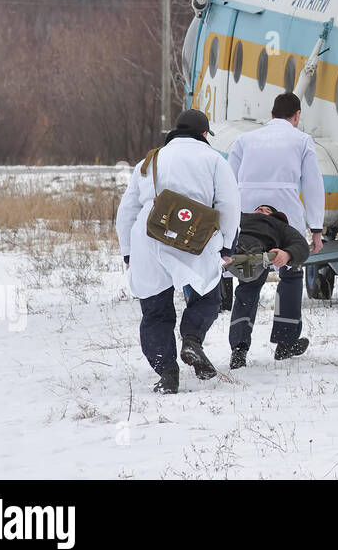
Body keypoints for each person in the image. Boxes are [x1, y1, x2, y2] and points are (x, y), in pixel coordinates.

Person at [116, 109, 240, 393]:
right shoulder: (214, 160)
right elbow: (229, 205)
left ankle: (167, 373)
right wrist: (228, 245)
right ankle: (192, 339)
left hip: (149, 235)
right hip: (195, 237)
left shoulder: (149, 161)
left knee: (155, 310)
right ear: (204, 134)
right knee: (207, 296)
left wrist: (128, 253)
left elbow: (126, 212)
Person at [227, 92, 325, 360]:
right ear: (296, 117)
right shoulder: (302, 140)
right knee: (291, 276)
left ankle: (239, 347)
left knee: (250, 278)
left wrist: (227, 225)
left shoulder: (245, 139)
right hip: (286, 217)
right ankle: (286, 341)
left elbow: (227, 182)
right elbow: (314, 186)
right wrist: (316, 229)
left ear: (270, 115)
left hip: (248, 215)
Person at [224, 204, 312, 367]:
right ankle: (239, 350)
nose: (262, 210)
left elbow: (301, 245)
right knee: (247, 291)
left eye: (268, 210)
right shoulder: (239, 216)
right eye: (259, 208)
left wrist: (288, 254)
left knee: (250, 286)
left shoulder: (279, 227)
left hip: (258, 255)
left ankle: (246, 348)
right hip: (232, 249)